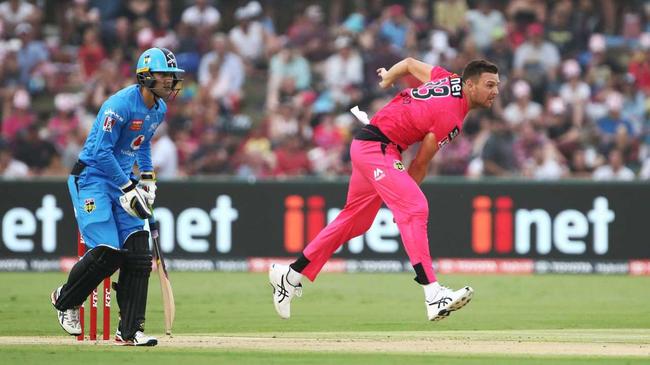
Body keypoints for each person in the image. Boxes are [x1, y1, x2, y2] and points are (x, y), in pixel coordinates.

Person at [269, 58, 500, 321]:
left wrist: (389, 76)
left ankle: (289, 275)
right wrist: (405, 198)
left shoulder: (446, 78)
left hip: (370, 145)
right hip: (378, 149)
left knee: (356, 221)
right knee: (415, 207)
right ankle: (434, 294)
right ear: (469, 85)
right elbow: (421, 163)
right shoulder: (452, 117)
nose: (495, 91)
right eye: (489, 85)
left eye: (496, 85)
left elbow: (411, 64)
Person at [50, 47, 184, 346]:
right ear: (146, 76)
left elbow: (143, 142)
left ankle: (130, 331)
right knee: (109, 251)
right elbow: (101, 152)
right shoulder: (118, 105)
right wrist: (127, 187)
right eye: (165, 75)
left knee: (138, 253)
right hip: (93, 179)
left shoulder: (159, 109)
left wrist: (147, 179)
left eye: (172, 76)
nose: (170, 81)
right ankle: (65, 299)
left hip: (123, 179)